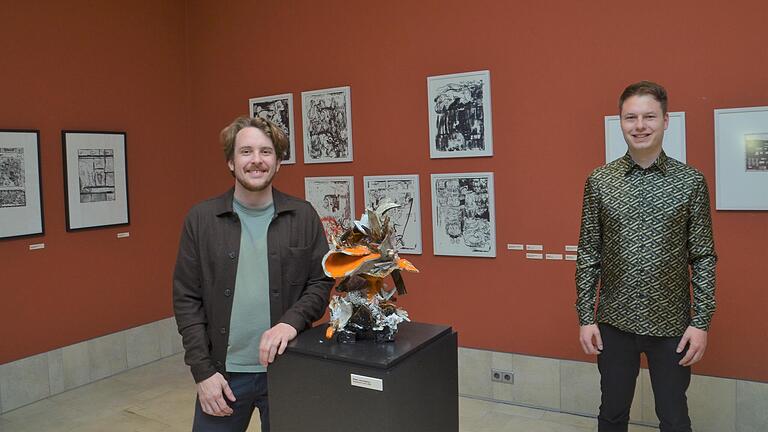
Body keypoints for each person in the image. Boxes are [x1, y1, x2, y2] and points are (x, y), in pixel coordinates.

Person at [173, 116, 334, 431]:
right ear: (231, 162)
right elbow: (186, 299)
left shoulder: (303, 216)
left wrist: (291, 322)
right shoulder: (201, 219)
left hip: (289, 370)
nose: (256, 160)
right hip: (222, 377)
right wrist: (203, 373)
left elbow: (321, 280)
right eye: (246, 151)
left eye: (266, 152)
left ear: (278, 163)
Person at [575, 81, 717, 432]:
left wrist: (700, 323)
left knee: (673, 417)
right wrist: (585, 316)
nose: (640, 125)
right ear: (620, 122)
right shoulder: (599, 181)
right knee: (611, 413)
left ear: (666, 121)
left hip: (672, 326)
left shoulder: (690, 182)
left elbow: (702, 256)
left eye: (649, 116)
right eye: (631, 117)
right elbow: (588, 253)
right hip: (613, 323)